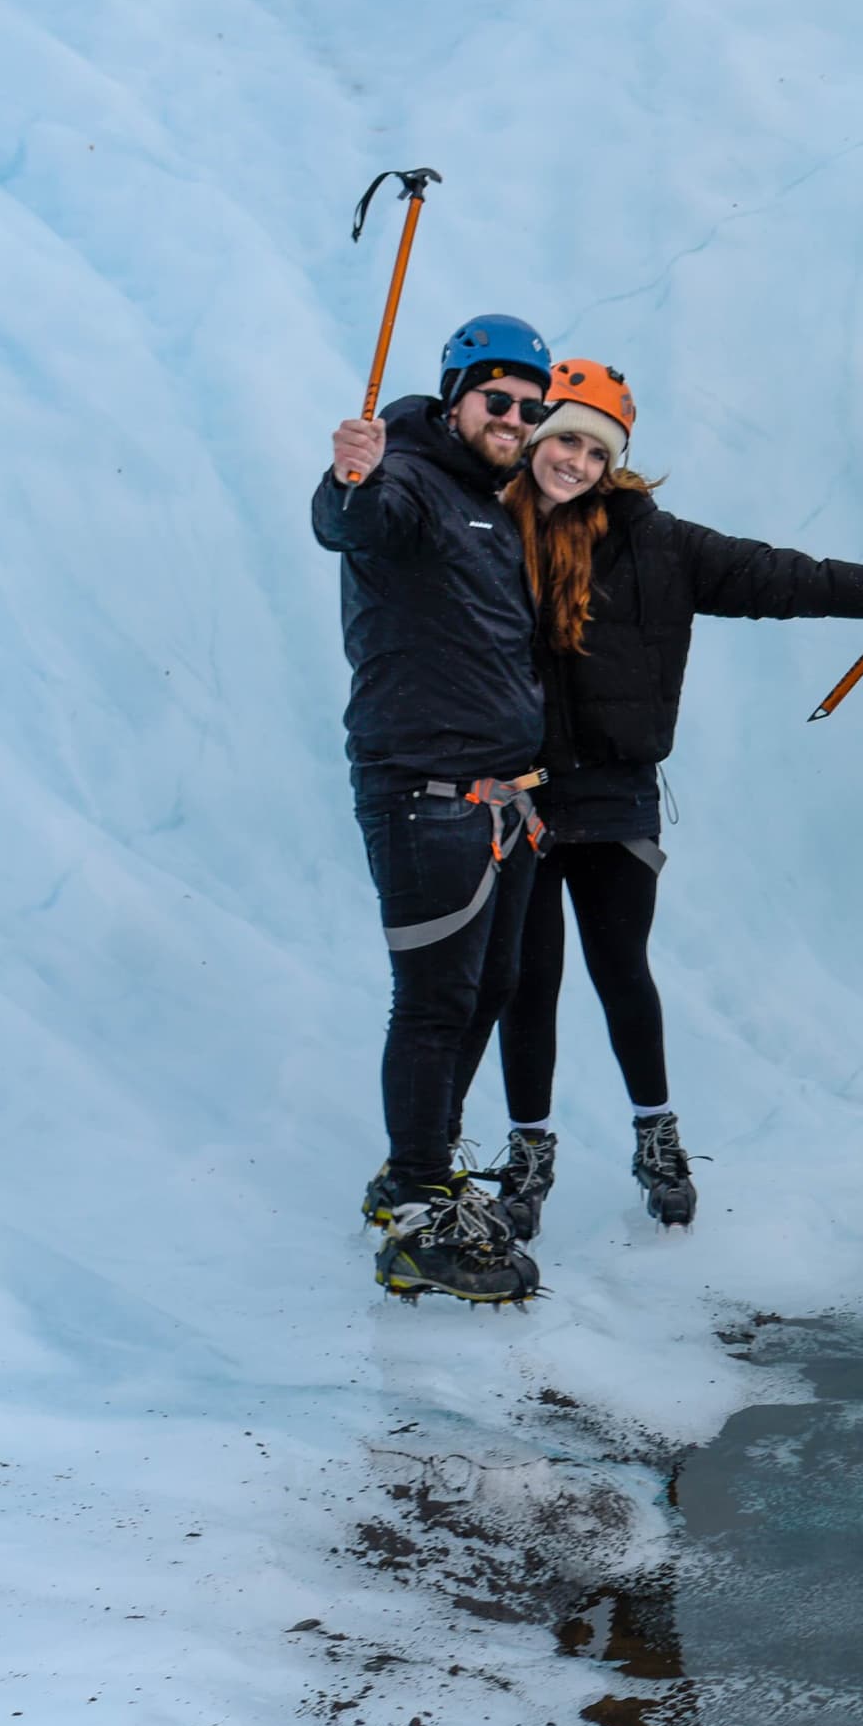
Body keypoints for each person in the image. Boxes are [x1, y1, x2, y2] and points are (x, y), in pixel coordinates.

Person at [484, 359, 863, 1234]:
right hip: (519, 794)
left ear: (612, 460)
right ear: (535, 438)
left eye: (593, 448)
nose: (573, 460)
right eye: (562, 440)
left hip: (617, 794)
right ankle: (528, 1153)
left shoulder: (660, 542)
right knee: (525, 980)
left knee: (622, 971)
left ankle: (656, 1137)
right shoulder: (489, 532)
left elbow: (774, 575)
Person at [315, 316, 560, 1304]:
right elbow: (353, 522)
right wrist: (350, 475)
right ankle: (417, 1211)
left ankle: (420, 1169)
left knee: (489, 985)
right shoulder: (408, 479)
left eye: (530, 409)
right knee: (432, 999)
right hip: (424, 792)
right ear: (455, 394)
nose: (513, 418)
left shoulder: (487, 505)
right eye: (497, 399)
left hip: (499, 801)